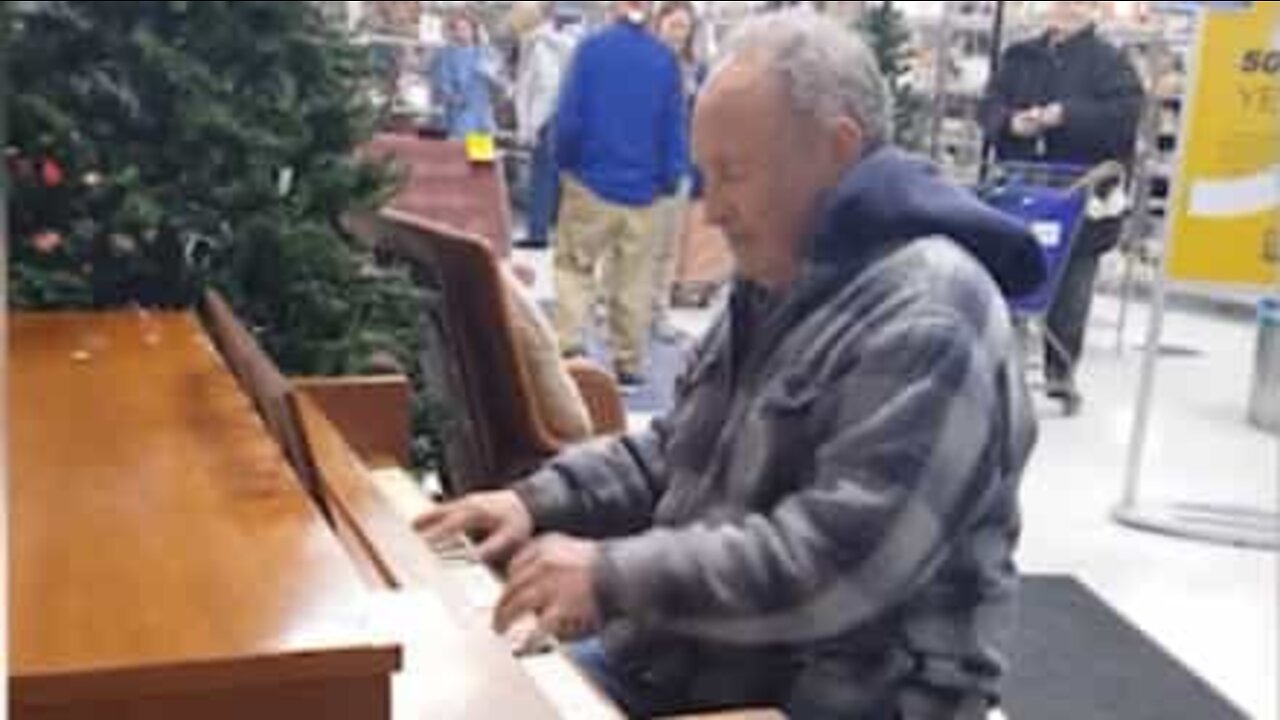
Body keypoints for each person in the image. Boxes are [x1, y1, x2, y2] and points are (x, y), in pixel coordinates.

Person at [418, 11, 1044, 719]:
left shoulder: (933, 313)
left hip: (843, 698)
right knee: (468, 695)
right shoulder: (782, 274)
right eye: (704, 175)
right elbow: (677, 447)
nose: (711, 211)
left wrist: (613, 576)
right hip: (696, 665)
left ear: (836, 150)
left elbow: (835, 567)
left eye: (733, 174)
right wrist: (531, 500)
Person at [980, 0, 1144, 413]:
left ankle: (1061, 371)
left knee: (1072, 286)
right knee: (1009, 277)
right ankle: (999, 363)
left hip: (1082, 195)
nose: (1064, 8)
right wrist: (1009, 123)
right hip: (1022, 189)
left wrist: (1064, 115)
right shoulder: (1019, 57)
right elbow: (990, 105)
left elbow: (1125, 116)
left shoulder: (1110, 63)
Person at [550, 0, 689, 388]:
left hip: (591, 181)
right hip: (644, 190)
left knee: (574, 268)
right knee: (634, 281)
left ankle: (571, 348)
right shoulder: (664, 60)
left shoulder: (592, 50)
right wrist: (669, 177)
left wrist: (565, 161)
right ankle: (629, 364)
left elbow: (570, 115)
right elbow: (672, 124)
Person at [649, 1, 705, 343]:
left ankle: (657, 313)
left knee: (668, 247)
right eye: (673, 25)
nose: (678, 33)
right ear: (660, 25)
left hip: (679, 165)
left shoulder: (693, 69)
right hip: (643, 168)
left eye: (684, 27)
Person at [512, 3, 582, 249]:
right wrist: (525, 126)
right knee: (541, 177)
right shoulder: (528, 44)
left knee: (566, 179)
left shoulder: (565, 36)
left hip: (562, 115)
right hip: (541, 119)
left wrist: (540, 33)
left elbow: (572, 54)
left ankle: (563, 235)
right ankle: (538, 232)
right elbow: (524, 87)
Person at [429, 12, 502, 139]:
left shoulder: (485, 52)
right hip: (459, 114)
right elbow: (442, 83)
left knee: (480, 157)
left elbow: (499, 81)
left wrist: (493, 78)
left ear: (474, 30)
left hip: (482, 115)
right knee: (458, 153)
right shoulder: (446, 55)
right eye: (458, 29)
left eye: (465, 28)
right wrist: (455, 99)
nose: (462, 33)